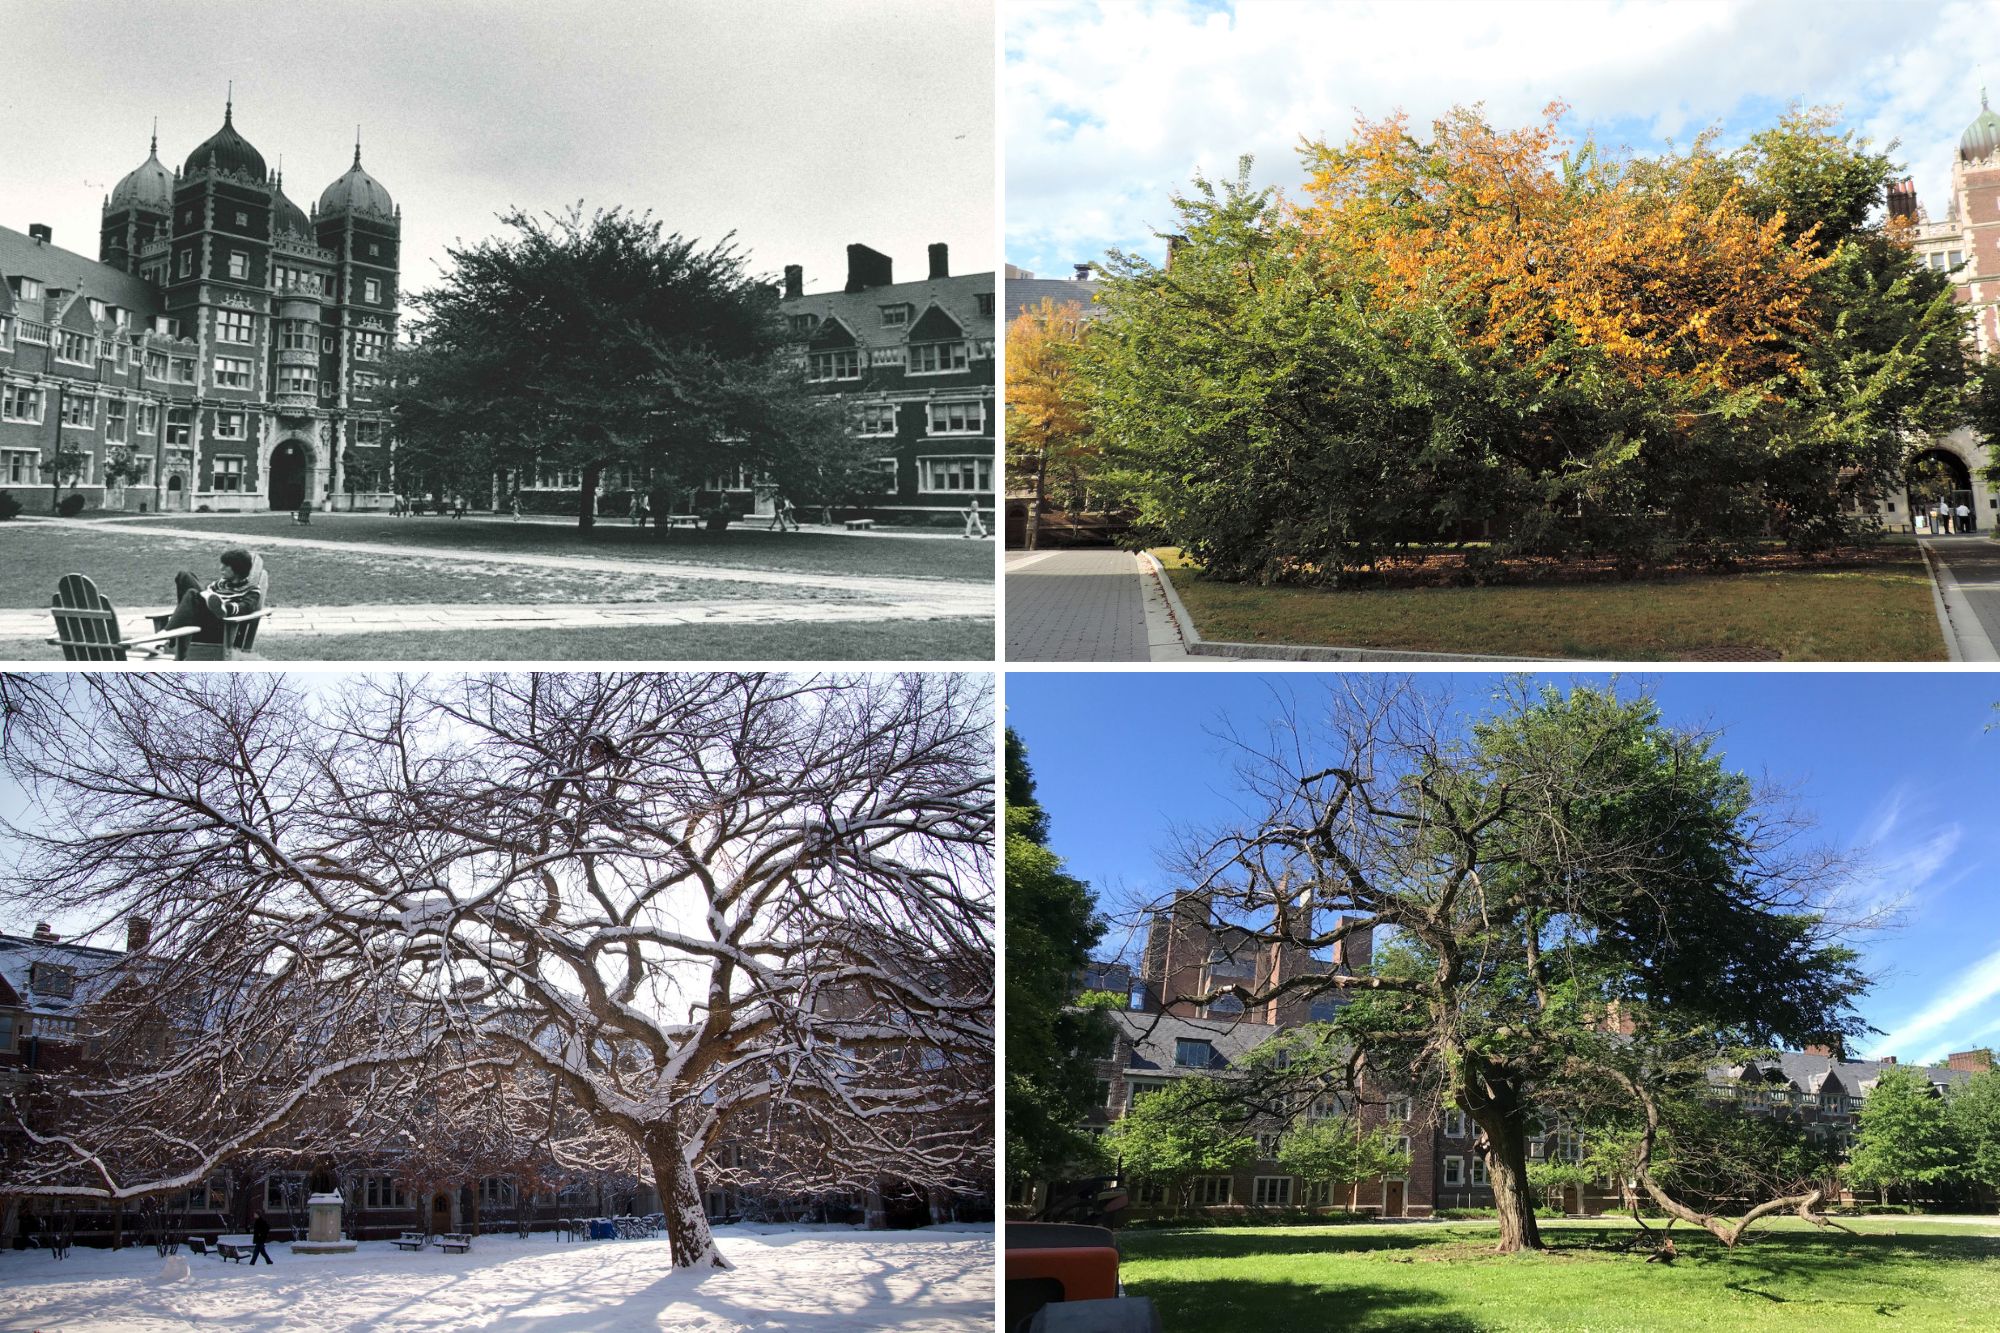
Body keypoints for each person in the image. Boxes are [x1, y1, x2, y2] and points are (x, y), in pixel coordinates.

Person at [164, 548, 265, 658]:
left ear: (238, 569)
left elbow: (246, 607)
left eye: (226, 566)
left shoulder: (252, 590)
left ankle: (164, 640)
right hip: (202, 621)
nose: (220, 568)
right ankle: (169, 640)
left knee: (193, 594)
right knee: (184, 576)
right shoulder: (220, 584)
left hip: (221, 629)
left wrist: (225, 608)